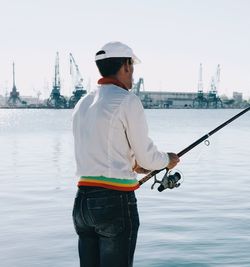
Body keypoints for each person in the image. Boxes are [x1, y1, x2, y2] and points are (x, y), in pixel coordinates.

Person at [72, 41, 179, 267]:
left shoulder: (82, 103)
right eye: (132, 67)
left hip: (82, 203)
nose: (132, 74)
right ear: (126, 66)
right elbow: (148, 157)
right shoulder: (127, 100)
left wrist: (132, 164)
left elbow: (101, 150)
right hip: (113, 203)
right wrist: (168, 160)